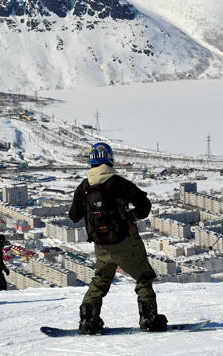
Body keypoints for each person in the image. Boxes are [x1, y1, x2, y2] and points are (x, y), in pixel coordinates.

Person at [68, 142, 167, 335]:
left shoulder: (85, 186)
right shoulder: (119, 183)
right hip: (125, 242)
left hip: (101, 245)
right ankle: (149, 318)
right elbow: (144, 206)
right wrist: (130, 217)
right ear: (111, 159)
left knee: (100, 281)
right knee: (143, 278)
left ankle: (88, 320)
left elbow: (74, 216)